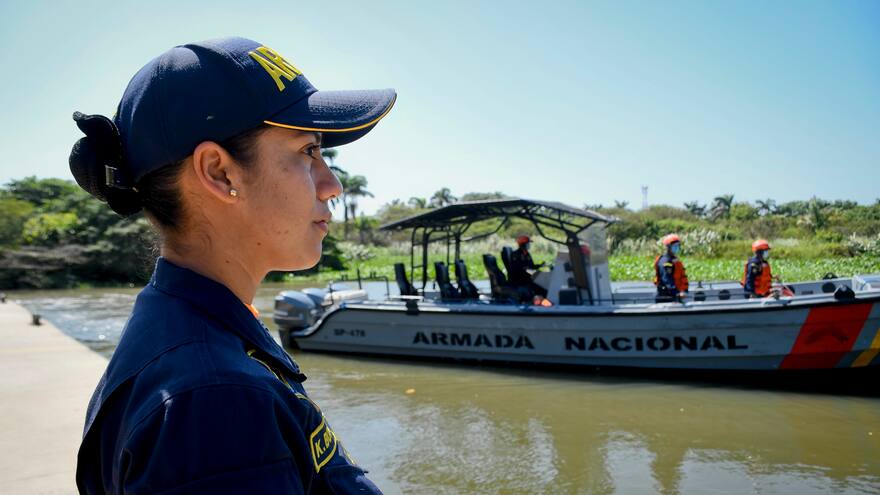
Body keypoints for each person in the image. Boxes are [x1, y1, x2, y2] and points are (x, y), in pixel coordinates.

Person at [69, 37, 395, 494]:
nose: (331, 185)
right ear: (220, 173)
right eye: (308, 152)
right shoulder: (214, 400)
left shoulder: (191, 335)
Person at [508, 235, 548, 299]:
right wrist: (528, 270)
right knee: (541, 289)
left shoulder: (527, 254)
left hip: (528, 278)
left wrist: (540, 265)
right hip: (520, 280)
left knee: (543, 286)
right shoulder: (515, 254)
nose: (529, 245)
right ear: (523, 245)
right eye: (528, 243)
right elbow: (517, 269)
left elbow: (531, 266)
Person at [654, 234, 689, 302]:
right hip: (666, 297)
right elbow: (667, 279)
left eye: (678, 245)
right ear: (668, 247)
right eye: (674, 246)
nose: (677, 247)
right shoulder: (665, 261)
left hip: (675, 296)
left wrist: (683, 291)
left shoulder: (674, 260)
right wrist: (677, 293)